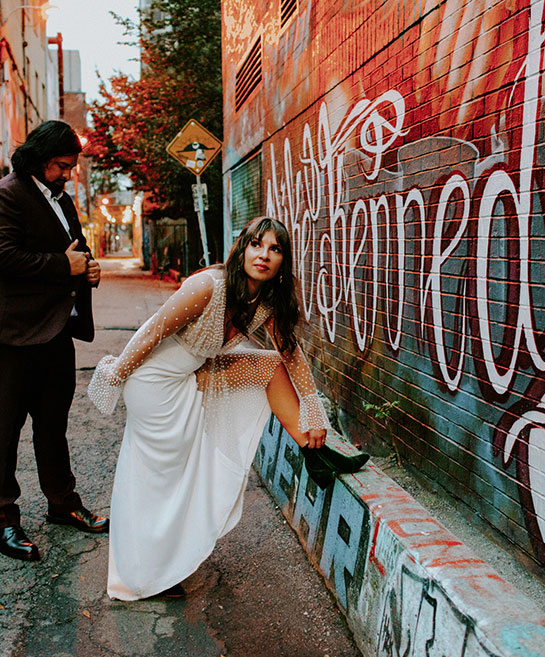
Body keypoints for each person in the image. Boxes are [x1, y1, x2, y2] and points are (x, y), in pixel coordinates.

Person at [88, 216, 368, 599]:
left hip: (191, 373)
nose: (264, 255)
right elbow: (154, 330)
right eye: (257, 245)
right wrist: (116, 374)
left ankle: (313, 449)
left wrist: (314, 410)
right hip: (154, 383)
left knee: (267, 364)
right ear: (242, 247)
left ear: (283, 261)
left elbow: (291, 354)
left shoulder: (264, 300)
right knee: (159, 482)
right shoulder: (209, 286)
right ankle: (142, 577)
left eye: (275, 249)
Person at [0, 120, 108, 562]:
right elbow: (3, 258)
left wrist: (87, 267)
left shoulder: (61, 198)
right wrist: (64, 267)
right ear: (40, 158)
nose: (68, 174)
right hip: (10, 337)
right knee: (3, 431)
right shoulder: (4, 194)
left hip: (54, 333)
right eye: (62, 166)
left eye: (71, 167)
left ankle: (62, 505)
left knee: (53, 427)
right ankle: (2, 524)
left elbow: (74, 249)